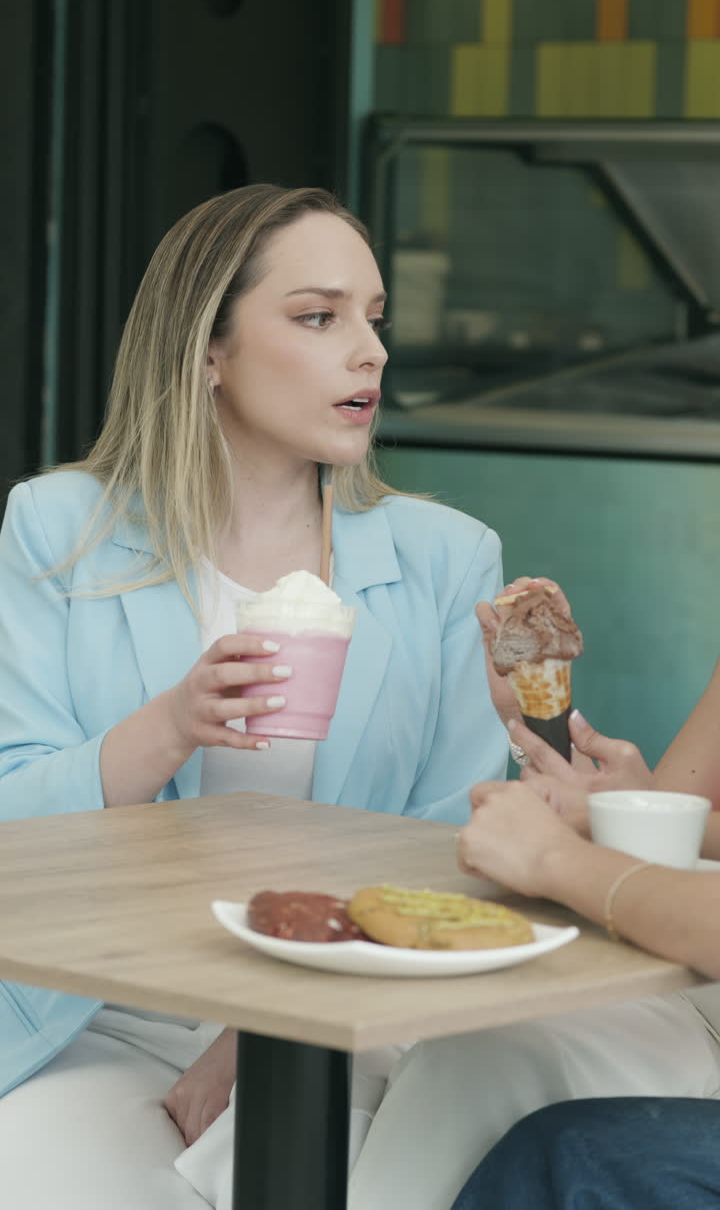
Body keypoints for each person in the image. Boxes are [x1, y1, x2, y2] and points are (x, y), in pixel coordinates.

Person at [0, 184, 507, 1209]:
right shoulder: (59, 527)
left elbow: (449, 848)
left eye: (375, 318)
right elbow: (13, 820)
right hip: (101, 1007)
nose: (369, 350)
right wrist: (166, 727)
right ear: (206, 351)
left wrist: (258, 1034)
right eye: (319, 316)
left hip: (355, 1014)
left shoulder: (449, 557)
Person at [347, 583, 720, 1210]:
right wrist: (591, 788)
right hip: (693, 988)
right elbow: (676, 837)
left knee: (565, 1149)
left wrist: (561, 858)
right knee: (460, 1059)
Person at [450, 736, 720, 1210]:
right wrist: (627, 814)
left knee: (577, 1154)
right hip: (698, 994)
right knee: (484, 1054)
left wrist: (556, 857)